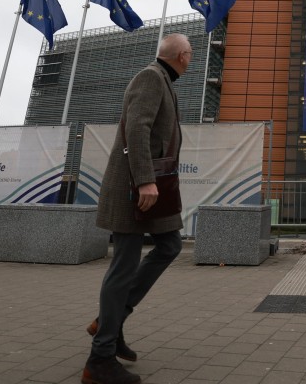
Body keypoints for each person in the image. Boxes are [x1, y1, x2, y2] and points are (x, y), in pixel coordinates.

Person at [82, 33, 192, 384]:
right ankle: (99, 359)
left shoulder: (164, 80)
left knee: (170, 245)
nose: (190, 58)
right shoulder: (151, 77)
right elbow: (137, 129)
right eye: (190, 53)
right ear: (182, 55)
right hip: (134, 188)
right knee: (124, 266)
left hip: (153, 186)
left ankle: (111, 320)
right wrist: (145, 180)